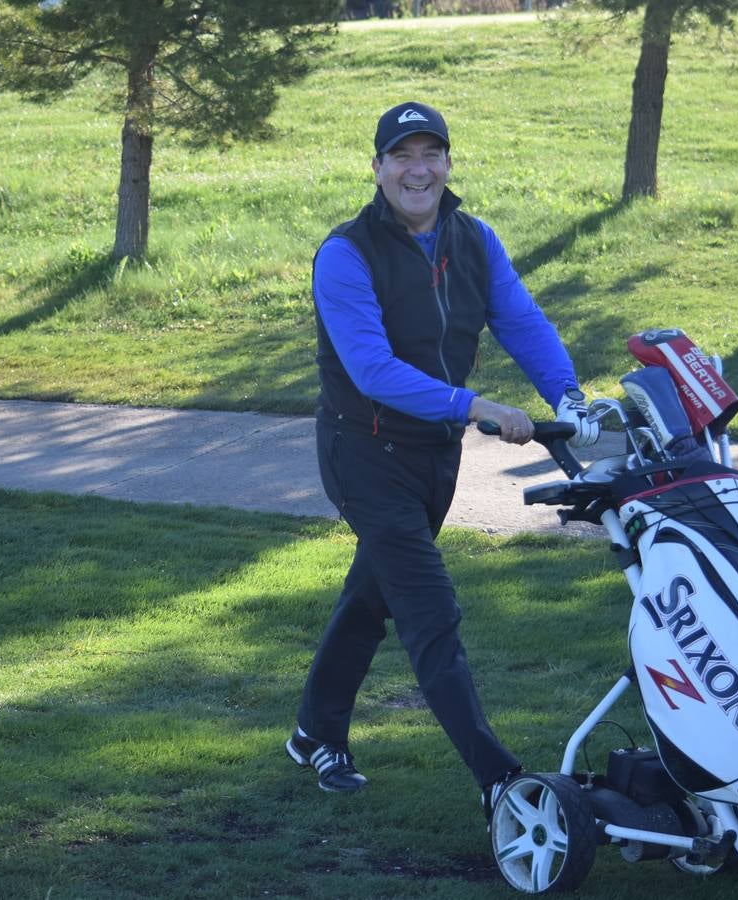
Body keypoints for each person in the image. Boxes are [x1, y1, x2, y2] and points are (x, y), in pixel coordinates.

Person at [286, 101, 601, 818]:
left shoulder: (474, 239)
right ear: (377, 169)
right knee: (429, 608)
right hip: (362, 451)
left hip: (434, 455)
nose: (417, 169)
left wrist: (571, 398)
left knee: (373, 596)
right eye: (402, 156)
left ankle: (314, 731)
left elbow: (523, 321)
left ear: (448, 164)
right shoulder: (345, 254)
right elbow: (370, 368)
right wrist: (478, 406)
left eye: (431, 153)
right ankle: (499, 782)